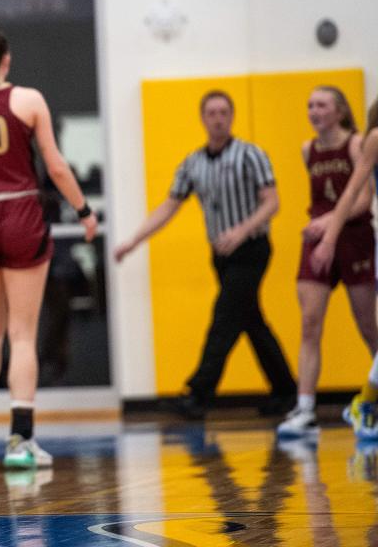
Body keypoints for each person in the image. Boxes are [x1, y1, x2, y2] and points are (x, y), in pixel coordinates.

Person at [0, 18, 98, 469]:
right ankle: (20, 441)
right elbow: (56, 167)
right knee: (21, 333)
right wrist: (83, 211)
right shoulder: (27, 99)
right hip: (20, 213)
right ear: (5, 60)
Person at [114, 90, 296, 419]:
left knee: (224, 317)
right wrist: (133, 241)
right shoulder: (193, 163)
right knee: (251, 322)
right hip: (222, 257)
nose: (218, 118)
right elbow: (169, 207)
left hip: (252, 249)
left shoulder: (250, 154)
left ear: (232, 116)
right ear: (202, 118)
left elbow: (272, 201)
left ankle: (199, 393)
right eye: (211, 113)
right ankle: (286, 392)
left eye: (224, 112)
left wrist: (241, 230)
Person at [277, 87, 378, 438]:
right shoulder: (309, 150)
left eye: (321, 104)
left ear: (339, 111)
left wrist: (329, 222)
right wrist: (322, 228)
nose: (313, 110)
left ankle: (371, 396)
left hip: (354, 238)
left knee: (368, 324)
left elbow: (362, 199)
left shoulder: (356, 142)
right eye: (309, 104)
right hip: (318, 240)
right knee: (309, 321)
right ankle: (305, 409)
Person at [311, 96, 378, 441]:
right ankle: (363, 404)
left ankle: (365, 401)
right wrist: (329, 238)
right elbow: (352, 192)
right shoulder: (374, 138)